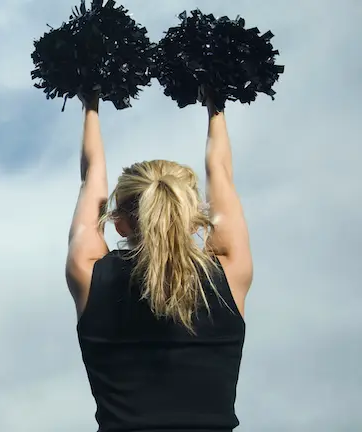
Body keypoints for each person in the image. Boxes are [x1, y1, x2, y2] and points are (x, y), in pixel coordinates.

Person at [65, 94, 253, 431]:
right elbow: (221, 173)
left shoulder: (89, 271)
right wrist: (216, 101)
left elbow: (91, 178)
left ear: (118, 222)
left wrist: (90, 101)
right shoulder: (229, 269)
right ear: (196, 219)